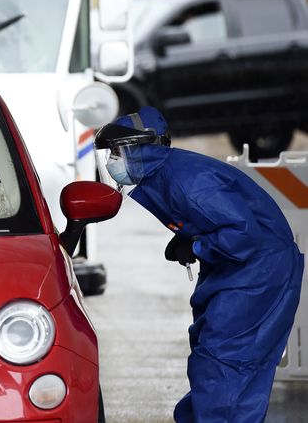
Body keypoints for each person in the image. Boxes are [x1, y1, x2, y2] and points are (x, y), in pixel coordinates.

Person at [94, 106, 304, 423]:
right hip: (245, 271)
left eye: (117, 153)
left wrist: (197, 245)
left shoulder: (188, 181)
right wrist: (192, 240)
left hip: (257, 273)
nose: (113, 162)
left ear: (140, 150)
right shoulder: (167, 174)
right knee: (233, 366)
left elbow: (241, 234)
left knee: (222, 362)